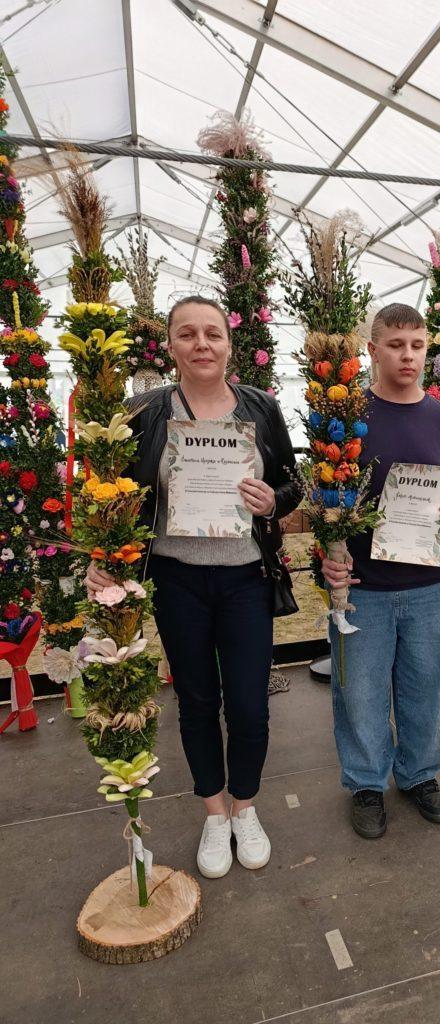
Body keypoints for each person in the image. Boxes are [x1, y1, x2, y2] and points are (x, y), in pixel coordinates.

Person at [85, 296, 300, 878]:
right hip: (177, 578)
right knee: (197, 700)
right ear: (171, 346)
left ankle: (246, 807)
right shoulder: (144, 412)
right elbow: (116, 497)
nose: (201, 344)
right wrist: (105, 559)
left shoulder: (261, 407)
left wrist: (271, 501)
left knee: (250, 704)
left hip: (245, 578)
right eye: (187, 334)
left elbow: (292, 484)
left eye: (212, 333)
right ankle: (214, 811)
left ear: (229, 343)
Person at [322, 303, 440, 839]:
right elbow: (326, 494)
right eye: (395, 345)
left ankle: (419, 775)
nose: (407, 356)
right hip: (362, 585)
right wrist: (330, 553)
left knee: (427, 686)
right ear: (373, 349)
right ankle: (367, 783)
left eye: (417, 346)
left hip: (430, 583)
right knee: (359, 692)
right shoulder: (347, 418)